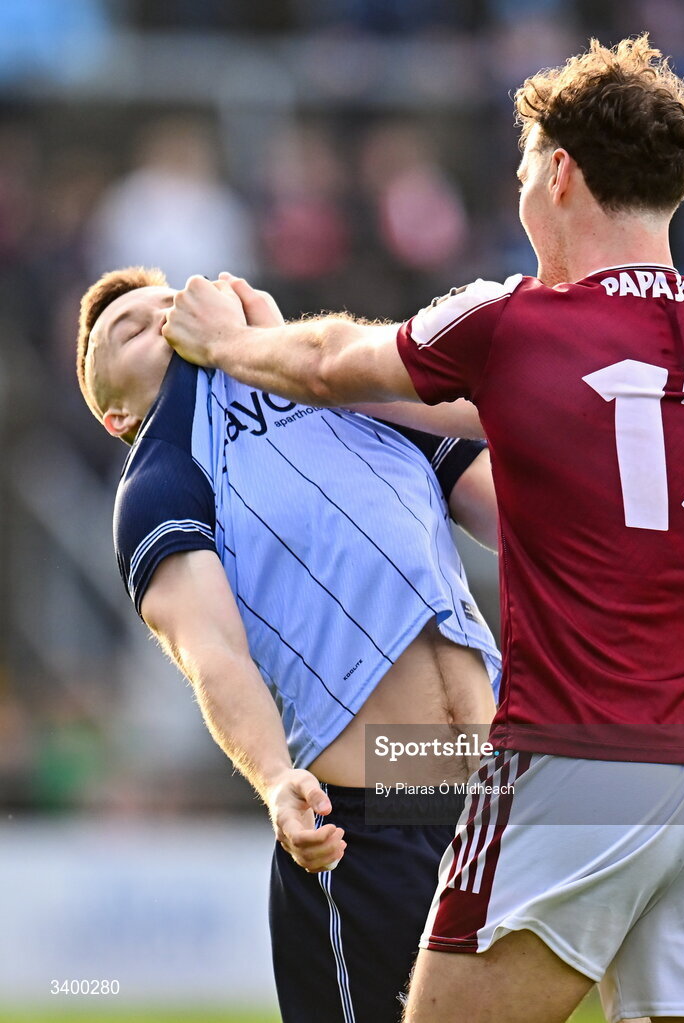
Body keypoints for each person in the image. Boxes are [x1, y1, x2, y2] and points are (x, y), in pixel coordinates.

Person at [162, 34, 684, 1023]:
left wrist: (232, 342)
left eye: (523, 169)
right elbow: (668, 523)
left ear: (558, 174)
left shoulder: (515, 324)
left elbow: (334, 363)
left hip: (578, 760)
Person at [75, 265, 503, 1023]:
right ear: (115, 415)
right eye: (130, 330)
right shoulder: (163, 478)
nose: (164, 317)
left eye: (170, 301)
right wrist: (275, 778)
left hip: (493, 800)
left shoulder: (334, 381)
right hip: (369, 824)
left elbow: (526, 516)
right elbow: (214, 655)